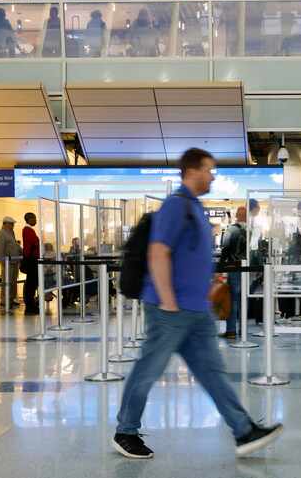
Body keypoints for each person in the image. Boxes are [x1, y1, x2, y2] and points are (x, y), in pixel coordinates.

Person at [113, 148, 283, 459]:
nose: (213, 175)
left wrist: (206, 288)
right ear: (193, 170)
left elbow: (189, 256)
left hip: (195, 310)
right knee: (148, 369)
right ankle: (125, 430)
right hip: (170, 310)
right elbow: (159, 252)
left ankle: (244, 430)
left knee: (212, 372)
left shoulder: (194, 207)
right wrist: (167, 300)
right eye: (209, 169)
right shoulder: (176, 206)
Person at [220, 206, 247, 340]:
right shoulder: (252, 230)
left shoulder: (231, 229)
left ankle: (231, 330)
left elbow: (225, 247)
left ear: (237, 215)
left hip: (233, 267)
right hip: (248, 269)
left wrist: (221, 265)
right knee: (244, 299)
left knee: (233, 299)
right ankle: (243, 330)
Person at [0, 216, 22, 308]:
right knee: (7, 281)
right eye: (11, 224)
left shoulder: (11, 233)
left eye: (13, 224)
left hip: (15, 262)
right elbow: (0, 250)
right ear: (5, 224)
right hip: (7, 263)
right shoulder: (1, 233)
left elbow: (15, 245)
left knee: (13, 282)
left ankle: (11, 299)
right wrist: (3, 262)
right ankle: (4, 300)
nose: (12, 226)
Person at [22, 212, 40, 315]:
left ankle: (31, 305)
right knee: (31, 284)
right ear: (29, 219)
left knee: (32, 284)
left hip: (32, 260)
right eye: (34, 218)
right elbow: (34, 244)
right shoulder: (28, 230)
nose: (36, 220)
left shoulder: (29, 230)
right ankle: (30, 306)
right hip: (32, 261)